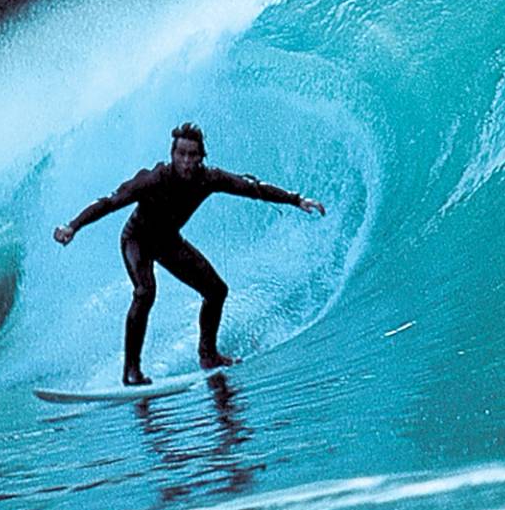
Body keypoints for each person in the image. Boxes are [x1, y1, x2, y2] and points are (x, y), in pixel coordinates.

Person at [54, 122, 325, 384]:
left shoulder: (208, 179)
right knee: (145, 292)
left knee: (216, 291)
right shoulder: (152, 179)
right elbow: (109, 202)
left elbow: (251, 188)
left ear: (201, 157)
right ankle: (132, 371)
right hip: (136, 239)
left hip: (167, 241)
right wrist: (73, 226)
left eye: (192, 155)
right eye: (180, 154)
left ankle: (208, 355)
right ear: (172, 155)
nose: (186, 160)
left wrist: (296, 199)